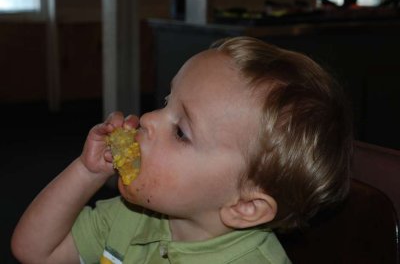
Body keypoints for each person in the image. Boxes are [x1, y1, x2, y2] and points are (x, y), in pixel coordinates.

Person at [11, 36, 353, 264]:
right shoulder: (132, 216)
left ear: (246, 206)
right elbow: (34, 251)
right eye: (165, 102)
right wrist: (87, 173)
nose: (147, 119)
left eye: (180, 131)